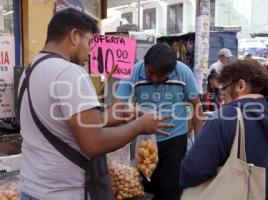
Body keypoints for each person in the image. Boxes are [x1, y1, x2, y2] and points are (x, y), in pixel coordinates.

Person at [18, 9, 173, 200]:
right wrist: (140, 126)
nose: (91, 51)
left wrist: (118, 115)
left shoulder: (30, 70)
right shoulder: (70, 73)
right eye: (90, 42)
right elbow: (94, 143)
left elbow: (68, 121)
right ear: (74, 36)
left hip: (31, 189)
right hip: (63, 193)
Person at [180, 59, 268, 199]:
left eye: (224, 88)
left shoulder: (225, 119)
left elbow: (192, 171)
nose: (222, 94)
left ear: (240, 86)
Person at [115, 43, 203, 200]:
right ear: (145, 63)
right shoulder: (134, 72)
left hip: (176, 139)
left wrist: (199, 144)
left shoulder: (183, 72)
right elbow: (117, 108)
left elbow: (196, 107)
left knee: (170, 188)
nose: (155, 78)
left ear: (171, 71)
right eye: (151, 73)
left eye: (161, 76)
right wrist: (136, 117)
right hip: (145, 141)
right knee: (147, 186)